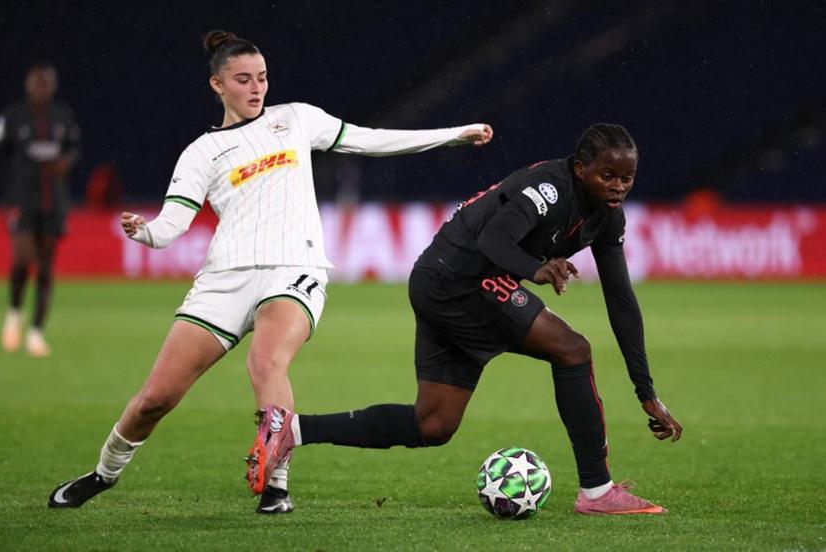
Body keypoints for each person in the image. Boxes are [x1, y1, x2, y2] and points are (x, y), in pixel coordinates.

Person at [47, 30, 493, 514]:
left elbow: (370, 141)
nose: (257, 88)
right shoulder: (201, 153)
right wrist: (145, 232)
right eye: (243, 79)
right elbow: (171, 226)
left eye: (262, 77)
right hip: (225, 279)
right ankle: (102, 474)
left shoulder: (296, 119)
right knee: (156, 397)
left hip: (293, 268)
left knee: (266, 361)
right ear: (218, 85)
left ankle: (277, 485)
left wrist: (453, 134)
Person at [253, 123, 683, 515]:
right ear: (578, 168)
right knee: (572, 349)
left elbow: (621, 300)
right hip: (458, 279)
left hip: (447, 281)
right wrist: (535, 270)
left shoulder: (607, 218)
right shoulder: (548, 190)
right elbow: (494, 237)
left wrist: (645, 390)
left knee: (434, 423)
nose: (617, 187)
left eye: (626, 178)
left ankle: (291, 429)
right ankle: (597, 491)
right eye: (607, 176)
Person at [0, 63, 81, 357]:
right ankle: (14, 313)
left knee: (46, 270)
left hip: (54, 202)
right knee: (23, 259)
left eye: (45, 84)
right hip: (23, 201)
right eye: (36, 84)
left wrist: (67, 161)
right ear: (28, 87)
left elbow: (74, 147)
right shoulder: (13, 117)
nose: (40, 89)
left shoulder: (62, 117)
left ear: (52, 88)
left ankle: (35, 333)